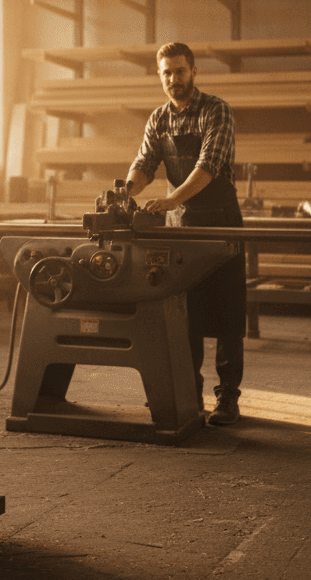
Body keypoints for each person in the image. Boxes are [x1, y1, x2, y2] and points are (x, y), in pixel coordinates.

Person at [123, 41, 247, 426]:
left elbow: (208, 165)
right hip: (181, 228)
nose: (173, 79)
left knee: (228, 316)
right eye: (167, 73)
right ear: (160, 76)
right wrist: (125, 192)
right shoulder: (158, 118)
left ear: (194, 71)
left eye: (180, 71)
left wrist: (172, 199)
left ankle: (227, 399)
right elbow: (145, 162)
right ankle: (189, 394)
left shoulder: (216, 110)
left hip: (220, 222)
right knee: (184, 314)